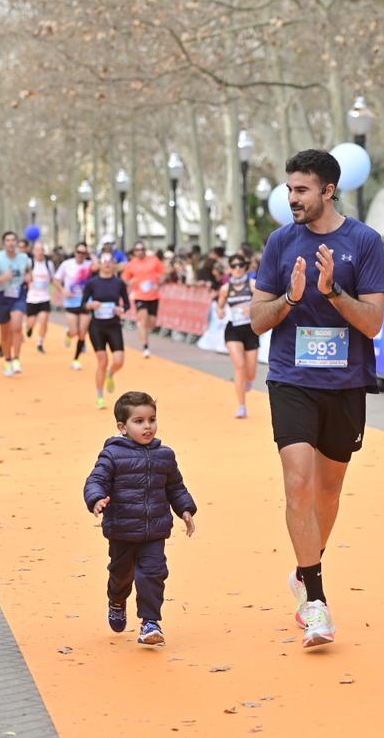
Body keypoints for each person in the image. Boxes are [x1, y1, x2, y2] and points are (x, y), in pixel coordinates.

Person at [250, 149, 384, 648]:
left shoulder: (365, 242)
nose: (293, 198)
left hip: (346, 384)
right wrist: (289, 298)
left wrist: (331, 293)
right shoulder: (280, 242)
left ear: (329, 190)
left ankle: (303, 571)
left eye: (302, 190)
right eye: (290, 189)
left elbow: (373, 323)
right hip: (291, 379)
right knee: (298, 482)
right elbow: (256, 320)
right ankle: (317, 603)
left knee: (328, 492)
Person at [83, 391, 197, 647]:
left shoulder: (164, 455)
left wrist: (186, 509)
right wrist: (97, 498)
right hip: (122, 529)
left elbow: (175, 487)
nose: (148, 426)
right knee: (121, 574)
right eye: (139, 421)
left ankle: (150, 622)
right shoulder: (112, 455)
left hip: (155, 529)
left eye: (152, 419)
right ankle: (116, 599)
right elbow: (96, 480)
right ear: (122, 427)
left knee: (153, 574)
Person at [81, 252, 131, 408]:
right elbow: (83, 303)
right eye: (104, 261)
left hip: (114, 325)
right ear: (100, 264)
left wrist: (121, 309)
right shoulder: (92, 283)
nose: (107, 264)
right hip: (97, 326)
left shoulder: (119, 283)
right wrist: (90, 305)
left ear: (114, 264)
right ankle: (100, 396)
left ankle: (111, 374)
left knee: (118, 361)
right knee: (102, 361)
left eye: (110, 261)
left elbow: (127, 304)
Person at [0, 231, 32, 376]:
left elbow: (29, 271)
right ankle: (8, 360)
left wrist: (29, 277)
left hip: (18, 295)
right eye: (8, 240)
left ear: (17, 243)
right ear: (4, 243)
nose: (11, 243)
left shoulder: (24, 258)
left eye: (13, 240)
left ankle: (17, 359)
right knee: (4, 333)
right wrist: (2, 278)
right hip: (2, 297)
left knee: (17, 327)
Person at [216, 254, 258, 418]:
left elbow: (263, 301)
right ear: (229, 269)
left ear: (245, 267)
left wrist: (252, 308)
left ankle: (248, 380)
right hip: (233, 329)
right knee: (240, 366)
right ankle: (242, 406)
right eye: (234, 266)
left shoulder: (253, 285)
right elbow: (219, 307)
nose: (237, 269)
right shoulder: (225, 288)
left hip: (250, 329)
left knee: (251, 372)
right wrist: (220, 312)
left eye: (240, 265)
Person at [122, 241, 167, 358]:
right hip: (139, 296)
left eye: (142, 249)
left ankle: (144, 331)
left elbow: (163, 272)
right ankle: (145, 347)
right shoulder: (131, 264)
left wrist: (160, 281)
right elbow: (125, 278)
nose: (140, 252)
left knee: (152, 323)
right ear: (134, 252)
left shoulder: (154, 260)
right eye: (137, 250)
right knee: (143, 320)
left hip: (153, 295)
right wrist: (130, 282)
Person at [55, 243, 94, 370]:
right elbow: (56, 280)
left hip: (85, 302)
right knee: (74, 331)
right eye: (78, 252)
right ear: (74, 252)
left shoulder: (89, 265)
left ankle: (76, 359)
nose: (80, 255)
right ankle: (69, 334)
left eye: (83, 253)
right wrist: (62, 290)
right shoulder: (67, 264)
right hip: (71, 302)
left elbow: (100, 265)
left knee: (82, 332)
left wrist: (92, 254)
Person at [24, 241, 56, 354]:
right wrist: (27, 278)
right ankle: (29, 328)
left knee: (44, 320)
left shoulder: (49, 264)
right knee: (31, 322)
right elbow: (24, 277)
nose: (40, 252)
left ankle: (40, 343)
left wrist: (59, 291)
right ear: (33, 252)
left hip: (44, 297)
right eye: (37, 250)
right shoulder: (29, 263)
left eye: (42, 250)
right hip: (32, 298)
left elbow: (53, 279)